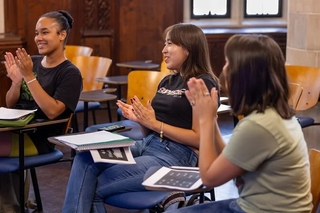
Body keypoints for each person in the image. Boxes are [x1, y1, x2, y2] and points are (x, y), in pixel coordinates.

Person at [62, 23, 220, 213]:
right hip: (147, 144)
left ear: (188, 48)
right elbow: (152, 127)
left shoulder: (203, 83)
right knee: (84, 159)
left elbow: (200, 138)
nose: (164, 50)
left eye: (170, 44)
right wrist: (142, 120)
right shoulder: (167, 81)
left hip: (176, 156)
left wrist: (155, 123)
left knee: (96, 186)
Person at [167, 34, 313, 213]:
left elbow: (209, 178)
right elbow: (228, 156)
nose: (225, 68)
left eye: (229, 63)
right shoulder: (271, 115)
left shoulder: (259, 126)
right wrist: (211, 119)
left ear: (245, 76)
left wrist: (204, 121)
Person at [0, 10, 82, 212]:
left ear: (62, 34)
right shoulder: (33, 62)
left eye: (45, 32)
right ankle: (11, 206)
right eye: (37, 33)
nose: (38, 38)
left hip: (40, 137)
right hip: (15, 130)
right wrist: (17, 82)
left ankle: (11, 207)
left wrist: (29, 76)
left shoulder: (70, 73)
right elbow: (11, 104)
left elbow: (53, 112)